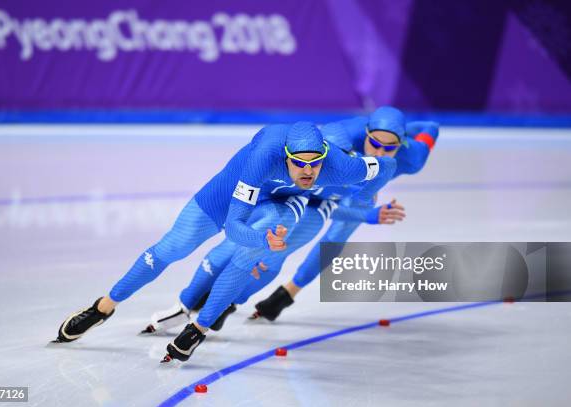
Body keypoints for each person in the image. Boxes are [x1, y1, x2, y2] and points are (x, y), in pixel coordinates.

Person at [53, 121, 396, 346]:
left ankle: (207, 318)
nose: (308, 172)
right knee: (170, 249)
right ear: (286, 157)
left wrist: (367, 203)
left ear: (327, 157)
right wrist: (262, 240)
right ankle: (102, 308)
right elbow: (234, 226)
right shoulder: (264, 158)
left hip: (281, 204)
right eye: (299, 164)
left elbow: (388, 165)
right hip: (226, 198)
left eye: (316, 164)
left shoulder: (342, 167)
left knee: (267, 245)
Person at [146, 107, 438, 341]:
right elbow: (309, 176)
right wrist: (367, 211)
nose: (381, 152)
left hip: (338, 196)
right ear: (364, 134)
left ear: (402, 145)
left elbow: (432, 128)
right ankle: (194, 300)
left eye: (391, 148)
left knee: (312, 241)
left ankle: (282, 295)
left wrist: (405, 130)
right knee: (253, 239)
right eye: (374, 143)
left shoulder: (411, 158)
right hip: (308, 190)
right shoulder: (337, 143)